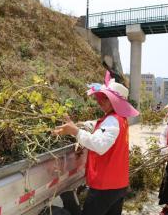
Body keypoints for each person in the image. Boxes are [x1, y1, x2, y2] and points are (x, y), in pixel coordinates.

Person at [53, 76, 139, 215]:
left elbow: (99, 145)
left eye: (105, 98)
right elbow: (98, 125)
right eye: (101, 97)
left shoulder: (112, 120)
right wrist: (80, 125)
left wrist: (75, 131)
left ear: (114, 102)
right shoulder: (119, 119)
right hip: (117, 184)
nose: (100, 101)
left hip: (105, 186)